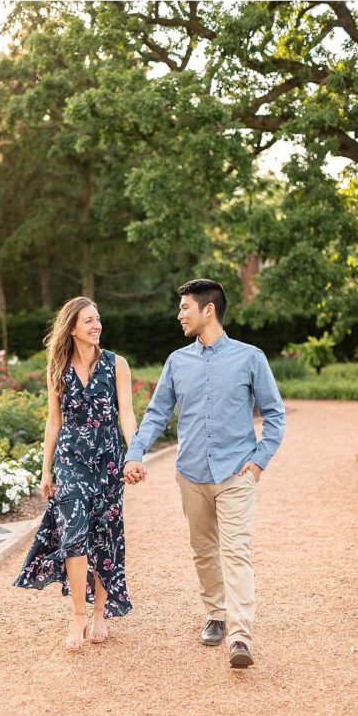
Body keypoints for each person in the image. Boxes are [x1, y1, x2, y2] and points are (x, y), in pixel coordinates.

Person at [123, 279, 285, 669]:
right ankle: (216, 613)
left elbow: (274, 415)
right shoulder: (177, 362)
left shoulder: (250, 358)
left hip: (235, 472)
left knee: (237, 551)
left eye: (184, 308)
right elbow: (157, 414)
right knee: (203, 550)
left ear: (207, 309)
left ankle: (240, 636)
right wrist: (135, 452)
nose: (179, 315)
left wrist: (259, 460)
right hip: (191, 473)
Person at [14, 296, 139, 651]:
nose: (96, 325)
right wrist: (45, 469)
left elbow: (126, 415)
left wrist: (136, 453)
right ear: (72, 327)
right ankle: (78, 616)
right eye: (88, 320)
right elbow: (54, 422)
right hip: (71, 459)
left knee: (105, 533)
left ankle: (100, 611)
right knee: (74, 533)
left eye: (98, 319)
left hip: (109, 459)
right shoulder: (57, 368)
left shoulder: (118, 364)